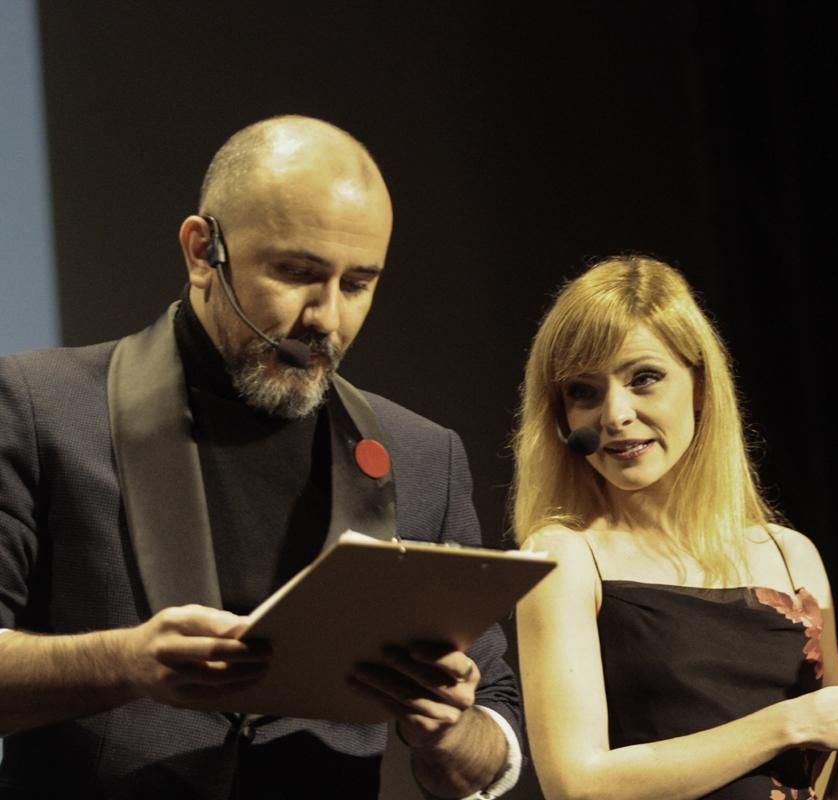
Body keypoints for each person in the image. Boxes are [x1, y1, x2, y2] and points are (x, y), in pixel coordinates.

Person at [0, 115, 521, 799]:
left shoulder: (420, 456)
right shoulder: (43, 409)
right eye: (297, 273)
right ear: (200, 251)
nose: (326, 319)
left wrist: (450, 735)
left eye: (358, 284)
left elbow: (493, 737)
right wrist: (126, 663)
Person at [511, 256, 838, 799]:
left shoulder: (790, 555)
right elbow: (578, 786)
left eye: (644, 378)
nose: (614, 414)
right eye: (584, 391)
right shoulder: (562, 558)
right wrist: (785, 724)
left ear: (699, 386)